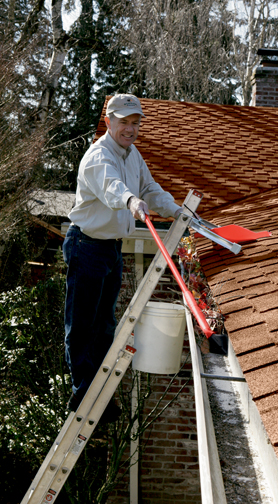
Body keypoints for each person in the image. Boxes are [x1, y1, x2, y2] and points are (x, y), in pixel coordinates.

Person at [63, 94, 182, 420]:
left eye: (135, 122)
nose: (130, 128)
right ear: (109, 121)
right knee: (83, 324)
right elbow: (112, 188)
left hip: (111, 248)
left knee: (105, 326)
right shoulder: (98, 157)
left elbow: (150, 188)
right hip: (86, 245)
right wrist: (131, 202)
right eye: (124, 122)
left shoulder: (132, 155)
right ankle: (83, 394)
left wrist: (177, 210)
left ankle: (96, 392)